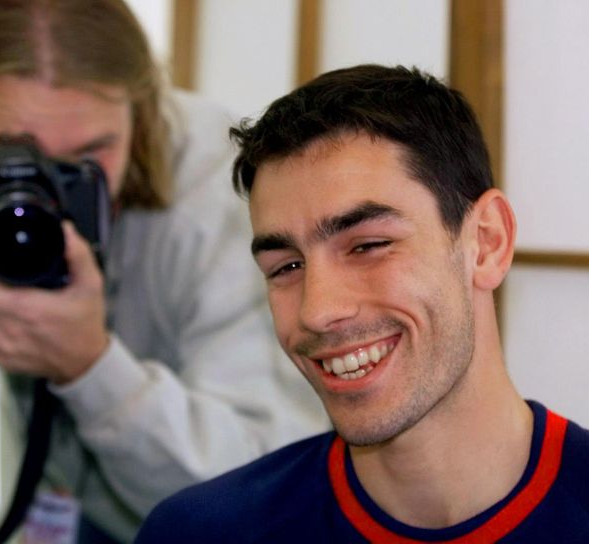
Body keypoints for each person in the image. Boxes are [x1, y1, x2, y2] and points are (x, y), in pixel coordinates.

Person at [0, 0, 328, 542]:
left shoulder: (223, 192)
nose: (50, 196)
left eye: (91, 154)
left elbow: (263, 495)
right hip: (69, 499)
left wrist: (90, 368)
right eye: (14, 155)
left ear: (141, 111)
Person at [135, 64, 589, 543]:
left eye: (368, 245)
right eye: (286, 267)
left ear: (487, 242)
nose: (317, 311)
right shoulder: (200, 533)